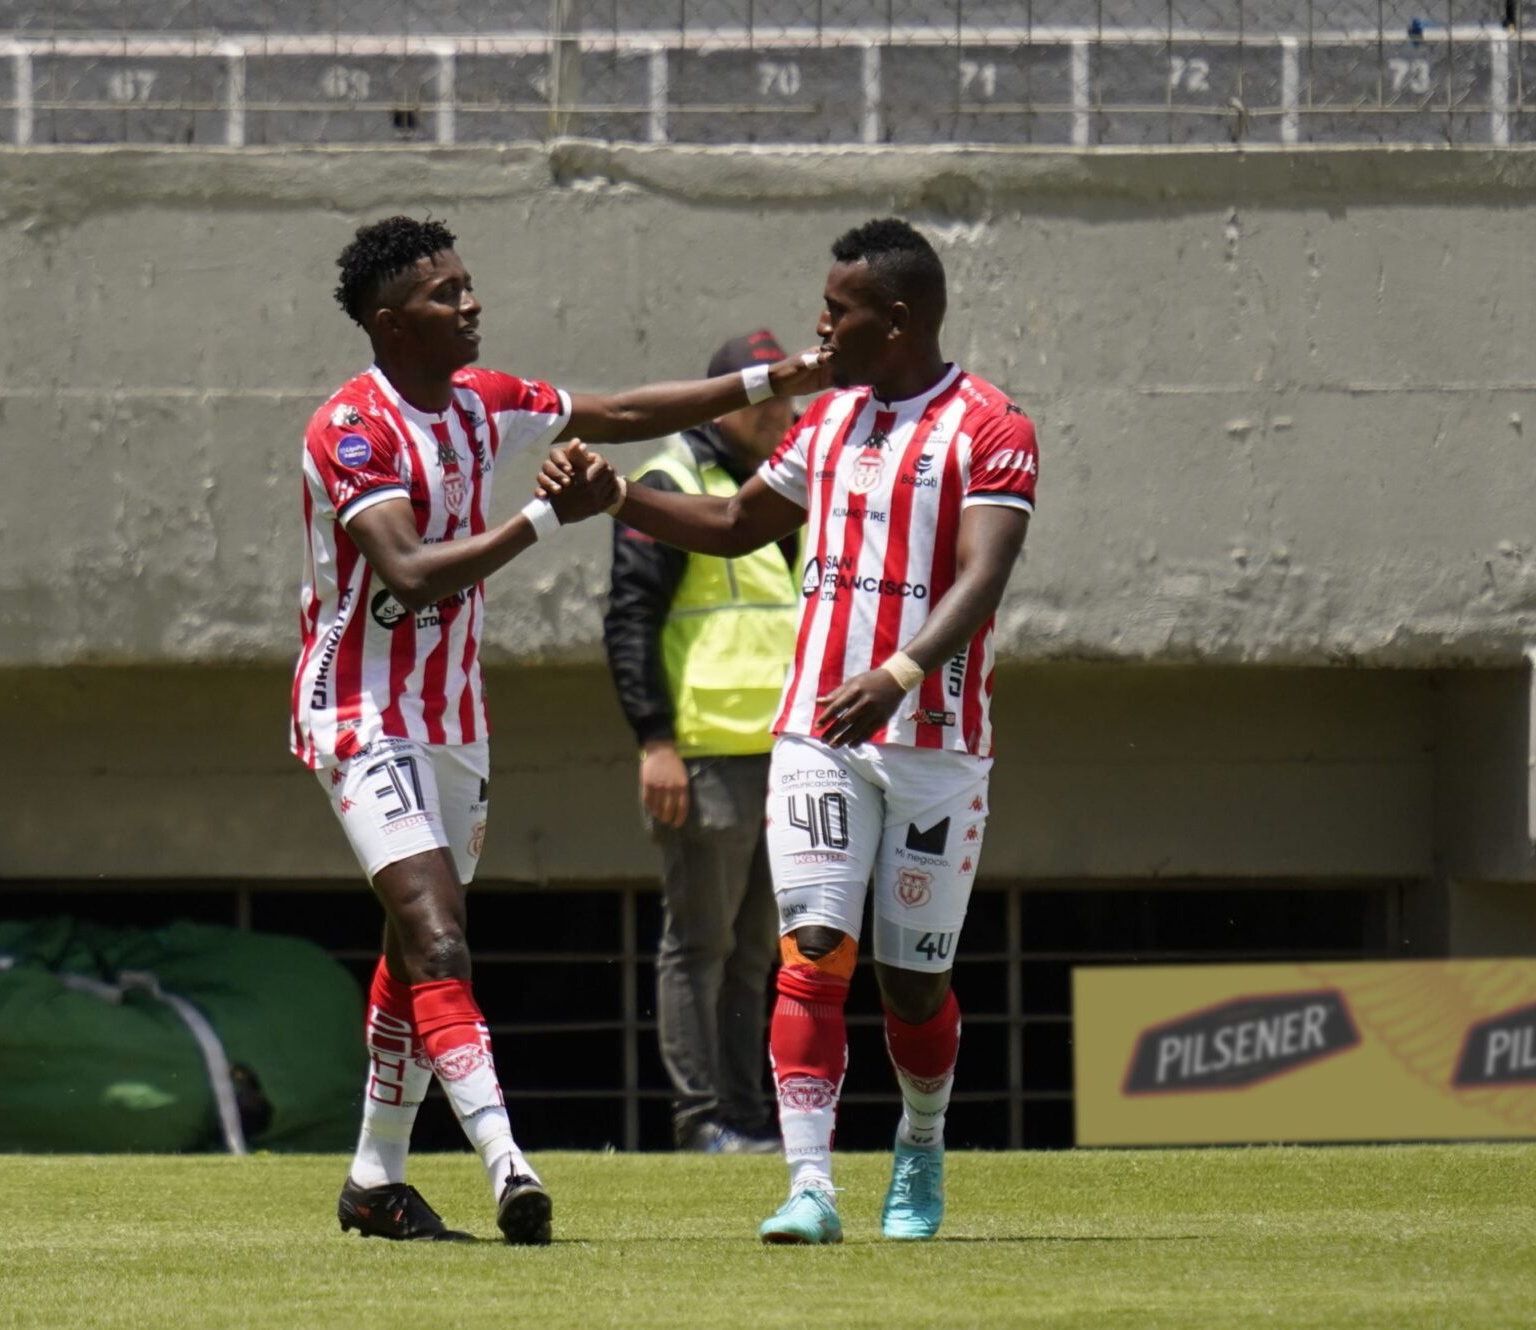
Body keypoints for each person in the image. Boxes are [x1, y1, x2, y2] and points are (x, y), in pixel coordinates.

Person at [299, 216, 830, 1245]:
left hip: (453, 721)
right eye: (445, 293)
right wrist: (547, 519)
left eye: (467, 283)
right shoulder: (351, 429)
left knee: (415, 949)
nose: (470, 303)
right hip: (360, 715)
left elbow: (623, 410)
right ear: (390, 323)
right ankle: (508, 1163)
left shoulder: (483, 401)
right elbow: (408, 574)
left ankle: (373, 1179)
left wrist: (780, 378)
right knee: (440, 934)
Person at [542, 218, 1038, 1244]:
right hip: (818, 732)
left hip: (935, 742)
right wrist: (617, 496)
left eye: (836, 310)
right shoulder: (827, 421)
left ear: (894, 318)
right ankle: (809, 1184)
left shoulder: (990, 427)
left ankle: (920, 1142)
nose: (820, 327)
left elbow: (983, 576)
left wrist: (899, 674)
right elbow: (734, 525)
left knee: (913, 987)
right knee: (811, 952)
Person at [602, 330, 801, 1155]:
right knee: (700, 946)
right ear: (726, 404)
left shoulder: (789, 480)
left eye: (787, 399)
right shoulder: (672, 482)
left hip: (785, 752)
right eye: (764, 400)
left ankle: (748, 1120)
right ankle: (702, 1122)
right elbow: (630, 619)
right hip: (705, 754)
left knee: (756, 951)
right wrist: (656, 743)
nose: (781, 414)